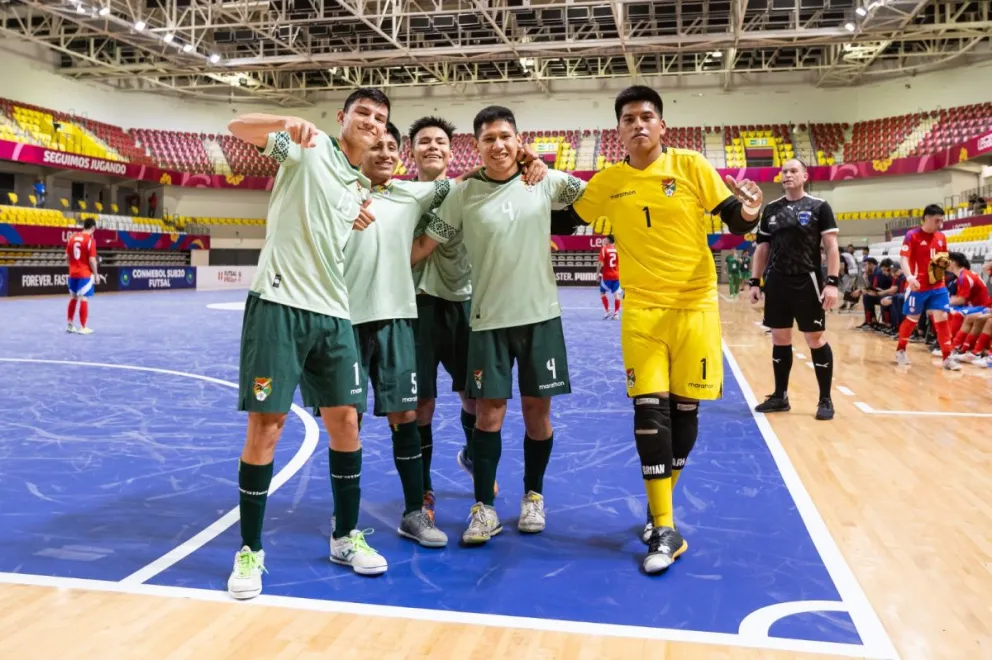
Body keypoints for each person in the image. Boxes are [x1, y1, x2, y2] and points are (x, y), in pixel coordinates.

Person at [566, 85, 763, 573]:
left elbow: (735, 220)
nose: (638, 124)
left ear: (662, 125)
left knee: (684, 415)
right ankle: (666, 528)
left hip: (695, 308)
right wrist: (527, 177)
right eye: (629, 118)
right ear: (618, 130)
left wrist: (751, 210)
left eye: (646, 116)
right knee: (649, 415)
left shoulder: (691, 166)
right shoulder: (608, 181)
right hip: (642, 312)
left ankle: (658, 515)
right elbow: (565, 218)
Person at [225, 88, 390, 601]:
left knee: (346, 425)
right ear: (343, 117)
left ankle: (345, 536)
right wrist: (285, 121)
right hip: (279, 305)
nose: (371, 122)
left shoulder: (359, 185)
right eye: (363, 112)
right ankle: (250, 550)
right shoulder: (309, 145)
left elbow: (331, 215)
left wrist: (354, 210)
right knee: (267, 427)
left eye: (380, 118)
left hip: (334, 313)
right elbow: (238, 128)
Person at [412, 105, 587, 546]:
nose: (498, 145)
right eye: (488, 139)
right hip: (487, 320)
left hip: (540, 318)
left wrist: (542, 164)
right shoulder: (462, 194)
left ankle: (533, 496)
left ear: (518, 140)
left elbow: (594, 198)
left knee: (537, 414)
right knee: (487, 415)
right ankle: (483, 508)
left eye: (505, 136)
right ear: (477, 146)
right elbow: (424, 245)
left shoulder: (544, 181)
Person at [408, 116, 545, 518]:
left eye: (440, 141)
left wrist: (531, 159)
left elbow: (501, 176)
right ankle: (425, 488)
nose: (433, 147)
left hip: (467, 303)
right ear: (410, 151)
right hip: (416, 305)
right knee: (422, 403)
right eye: (424, 141)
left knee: (475, 396)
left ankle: (472, 454)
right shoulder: (401, 194)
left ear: (452, 151)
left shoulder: (468, 190)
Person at [343, 122, 455, 549]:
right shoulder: (338, 191)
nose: (386, 153)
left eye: (392, 147)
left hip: (397, 321)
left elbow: (462, 185)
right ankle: (345, 519)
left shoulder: (412, 193)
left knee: (405, 416)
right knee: (346, 421)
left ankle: (414, 513)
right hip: (346, 322)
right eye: (376, 146)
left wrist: (528, 162)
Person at [748, 159, 839, 421]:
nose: (787, 174)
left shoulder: (819, 206)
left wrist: (832, 282)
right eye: (784, 171)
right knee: (780, 338)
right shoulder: (771, 209)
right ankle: (780, 396)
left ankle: (825, 399)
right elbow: (762, 248)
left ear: (804, 176)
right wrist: (755, 281)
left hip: (807, 280)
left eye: (793, 171)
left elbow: (831, 246)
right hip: (777, 281)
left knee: (815, 338)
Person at [894, 204, 959, 370]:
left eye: (941, 220)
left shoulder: (941, 237)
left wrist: (943, 272)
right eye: (937, 220)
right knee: (912, 319)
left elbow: (943, 260)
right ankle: (901, 350)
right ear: (926, 218)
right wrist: (909, 277)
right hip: (917, 286)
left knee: (942, 318)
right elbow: (903, 259)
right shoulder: (912, 235)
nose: (940, 224)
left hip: (938, 286)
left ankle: (947, 357)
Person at [944, 252, 989, 342]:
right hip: (972, 306)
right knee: (943, 309)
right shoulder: (962, 275)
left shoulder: (964, 277)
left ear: (954, 263)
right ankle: (943, 339)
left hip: (981, 307)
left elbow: (961, 300)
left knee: (955, 313)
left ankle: (952, 342)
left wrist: (946, 302)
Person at [65, 218, 98, 334]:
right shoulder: (90, 240)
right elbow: (92, 260)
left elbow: (67, 257)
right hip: (84, 274)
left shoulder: (72, 237)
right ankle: (83, 327)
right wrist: (96, 274)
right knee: (84, 299)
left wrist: (73, 266)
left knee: (73, 298)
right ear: (93, 228)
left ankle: (70, 325)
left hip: (72, 273)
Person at [596, 234, 621, 319]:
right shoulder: (617, 249)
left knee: (602, 292)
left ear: (608, 240)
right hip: (616, 275)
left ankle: (607, 311)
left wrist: (597, 274)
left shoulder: (604, 249)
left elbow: (600, 263)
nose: (604, 240)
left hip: (607, 276)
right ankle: (616, 314)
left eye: (605, 239)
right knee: (616, 294)